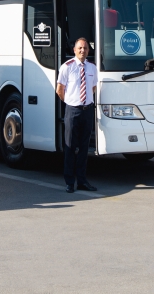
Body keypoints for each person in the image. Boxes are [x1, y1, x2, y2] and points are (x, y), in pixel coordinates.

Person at [56, 38, 98, 193]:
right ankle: (69, 181)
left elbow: (93, 88)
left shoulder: (92, 68)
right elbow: (60, 89)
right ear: (74, 50)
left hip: (87, 110)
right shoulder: (67, 67)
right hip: (73, 110)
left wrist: (84, 101)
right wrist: (71, 101)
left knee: (84, 147)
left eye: (85, 48)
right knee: (70, 147)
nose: (83, 51)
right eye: (80, 48)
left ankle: (82, 180)